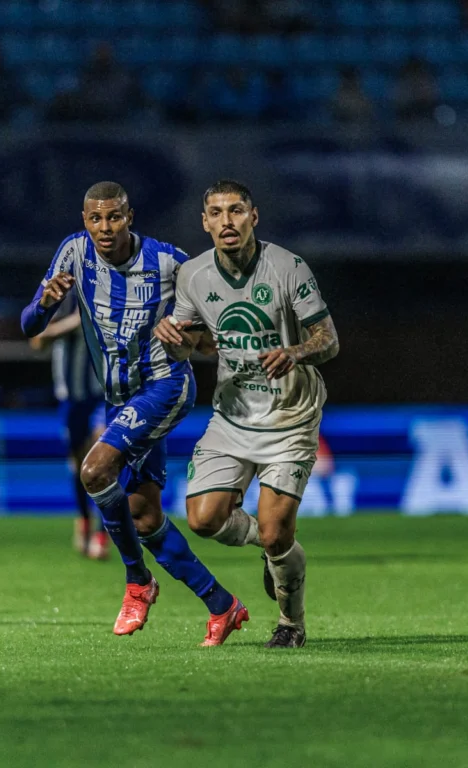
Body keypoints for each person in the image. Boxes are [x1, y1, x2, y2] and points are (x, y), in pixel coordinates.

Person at [21, 181, 248, 646]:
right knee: (144, 519)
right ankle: (223, 605)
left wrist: (189, 339)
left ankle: (136, 583)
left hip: (165, 386)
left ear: (130, 216)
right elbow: (28, 325)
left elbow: (216, 335)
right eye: (96, 219)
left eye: (115, 217)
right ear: (85, 221)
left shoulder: (170, 262)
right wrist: (43, 303)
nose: (105, 228)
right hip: (119, 398)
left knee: (95, 469)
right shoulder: (73, 253)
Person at [153, 179, 340, 648]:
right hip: (233, 415)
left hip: (291, 416)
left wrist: (295, 352)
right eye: (216, 213)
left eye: (236, 211)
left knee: (278, 531)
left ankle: (290, 624)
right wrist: (176, 346)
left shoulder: (288, 267)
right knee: (202, 520)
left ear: (253, 217)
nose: (226, 221)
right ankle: (274, 551)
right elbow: (200, 344)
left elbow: (329, 340)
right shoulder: (193, 275)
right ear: (204, 222)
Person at [28, 294, 108, 560]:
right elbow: (37, 341)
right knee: (79, 466)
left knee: (104, 462)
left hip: (103, 395)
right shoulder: (59, 298)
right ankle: (84, 519)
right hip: (71, 399)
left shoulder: (110, 290)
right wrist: (74, 323)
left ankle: (102, 533)